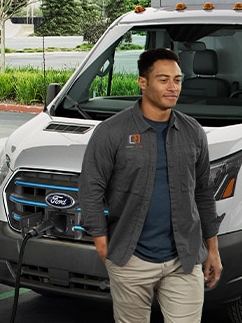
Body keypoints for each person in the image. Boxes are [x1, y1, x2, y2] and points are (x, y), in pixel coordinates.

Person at [78, 47, 222, 323]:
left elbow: (203, 192)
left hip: (184, 258)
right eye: (163, 79)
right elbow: (91, 188)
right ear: (142, 82)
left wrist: (212, 250)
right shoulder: (112, 132)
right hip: (131, 258)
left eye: (177, 80)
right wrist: (102, 244)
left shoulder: (193, 132)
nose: (173, 87)